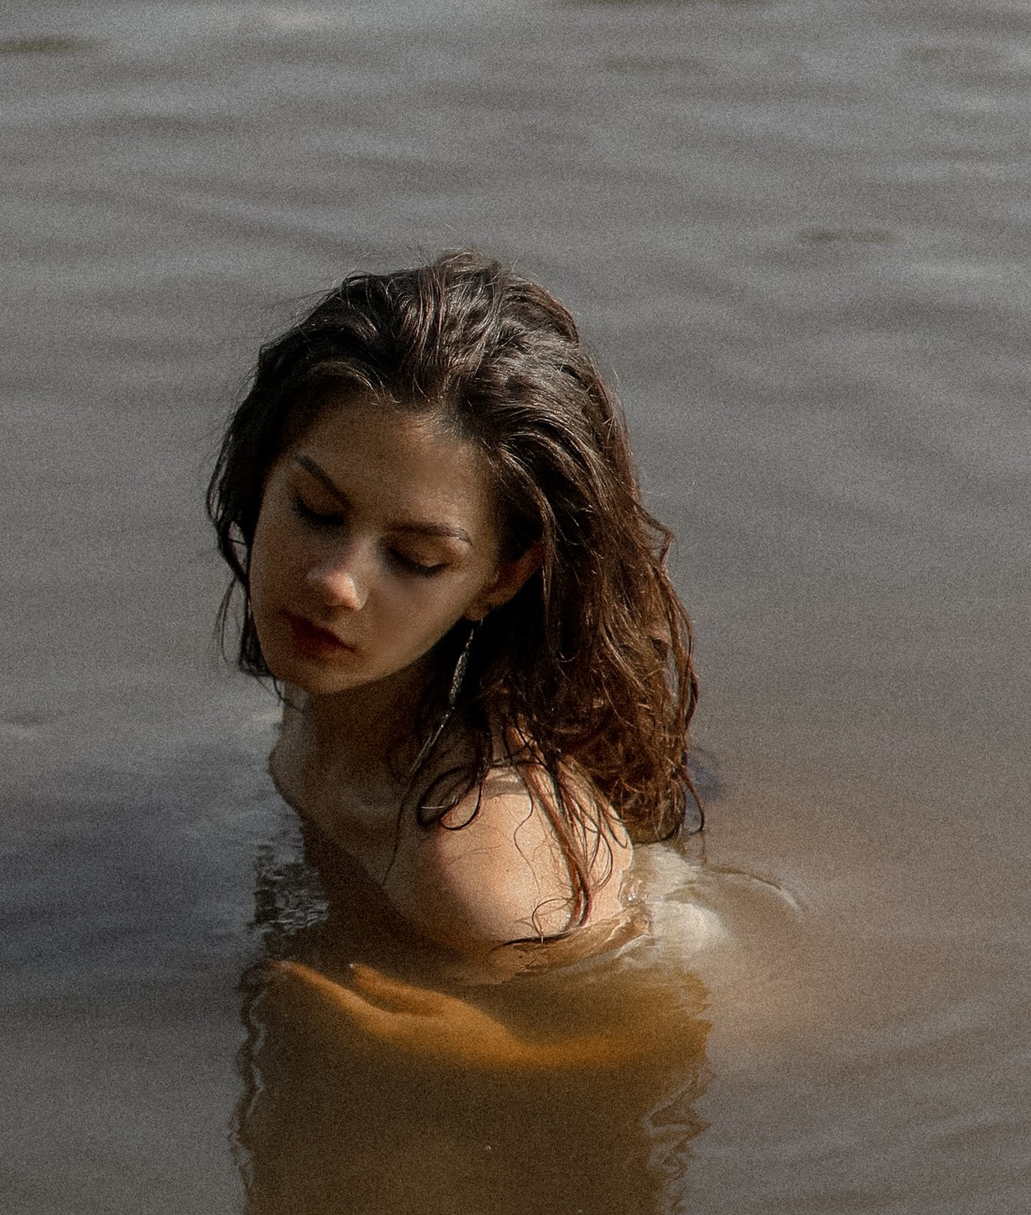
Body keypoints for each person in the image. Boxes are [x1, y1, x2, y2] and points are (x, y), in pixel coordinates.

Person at [207, 252, 701, 1065]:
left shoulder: (481, 874)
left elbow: (698, 1017)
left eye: (415, 559)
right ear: (263, 472)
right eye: (316, 509)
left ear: (500, 579)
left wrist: (511, 1051)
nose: (336, 584)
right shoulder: (332, 682)